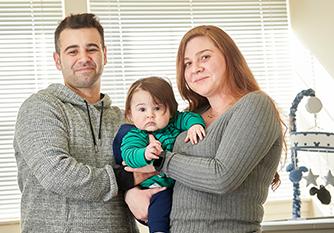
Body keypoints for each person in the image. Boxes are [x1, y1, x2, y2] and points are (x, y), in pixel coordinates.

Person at [124, 25, 286, 233]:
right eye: (187, 63)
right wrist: (132, 193)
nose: (195, 68)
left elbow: (222, 178)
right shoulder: (190, 117)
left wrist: (161, 160)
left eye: (205, 57)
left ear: (229, 57)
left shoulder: (255, 105)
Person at [13, 13, 162, 233]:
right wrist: (125, 179)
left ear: (105, 54)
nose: (84, 57)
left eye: (91, 48)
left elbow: (151, 169)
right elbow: (57, 174)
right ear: (57, 60)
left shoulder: (125, 118)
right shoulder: (40, 107)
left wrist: (134, 191)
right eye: (72, 51)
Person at [113, 76, 206, 233]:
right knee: (160, 208)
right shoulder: (135, 135)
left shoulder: (174, 123)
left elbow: (189, 116)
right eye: (142, 109)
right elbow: (129, 155)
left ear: (170, 110)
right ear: (130, 114)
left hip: (180, 184)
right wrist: (145, 153)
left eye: (157, 108)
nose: (150, 115)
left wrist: (195, 125)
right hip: (155, 187)